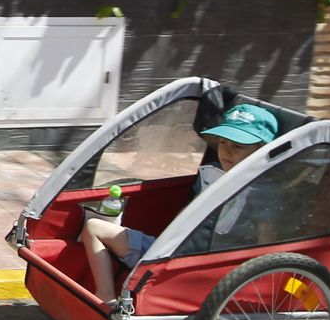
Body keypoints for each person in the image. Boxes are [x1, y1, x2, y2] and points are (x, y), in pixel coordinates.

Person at [83, 104, 280, 302]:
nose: (226, 152)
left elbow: (266, 242)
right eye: (222, 142)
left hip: (200, 269)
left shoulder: (263, 192)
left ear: (262, 150)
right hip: (168, 250)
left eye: (238, 146)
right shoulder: (212, 173)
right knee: (93, 227)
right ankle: (106, 296)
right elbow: (186, 215)